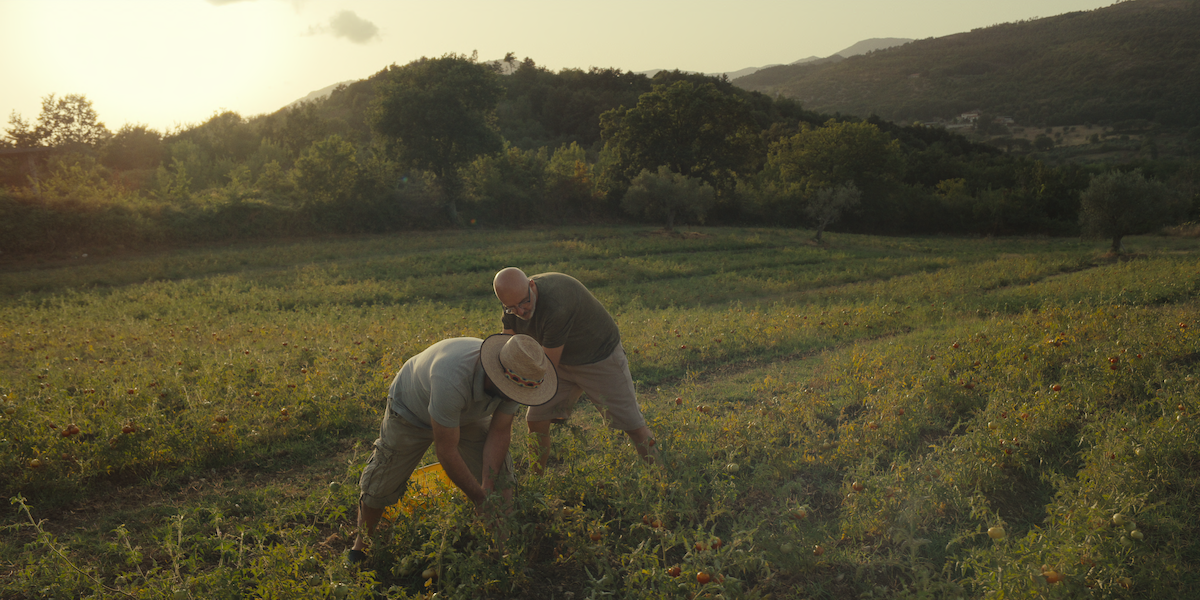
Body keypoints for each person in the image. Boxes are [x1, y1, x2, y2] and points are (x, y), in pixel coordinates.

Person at [349, 333, 557, 562]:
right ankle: (361, 546)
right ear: (496, 377)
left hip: (467, 413)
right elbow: (447, 450)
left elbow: (499, 431)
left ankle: (504, 548)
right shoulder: (452, 378)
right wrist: (479, 498)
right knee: (382, 483)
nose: (516, 396)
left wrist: (487, 485)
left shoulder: (519, 376)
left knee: (500, 480)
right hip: (411, 411)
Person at [492, 267, 656, 473]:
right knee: (536, 421)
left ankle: (662, 477)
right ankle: (536, 478)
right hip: (557, 362)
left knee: (632, 425)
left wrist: (518, 388)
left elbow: (546, 367)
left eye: (525, 302)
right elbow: (508, 341)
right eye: (512, 308)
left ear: (531, 285)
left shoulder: (556, 304)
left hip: (598, 357)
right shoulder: (513, 300)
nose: (521, 311)